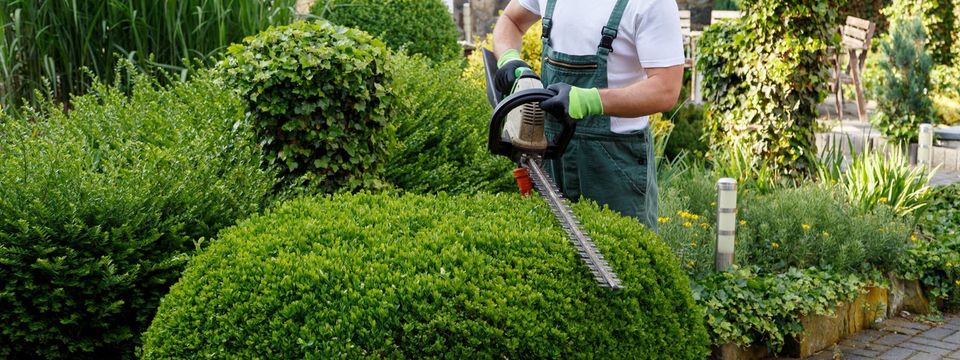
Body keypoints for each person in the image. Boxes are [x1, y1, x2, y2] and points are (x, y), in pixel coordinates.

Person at [492, 0, 684, 230]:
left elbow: (666, 90)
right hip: (550, 152)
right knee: (550, 254)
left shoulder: (650, 3)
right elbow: (511, 20)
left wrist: (589, 100)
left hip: (613, 164)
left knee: (620, 260)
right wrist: (510, 58)